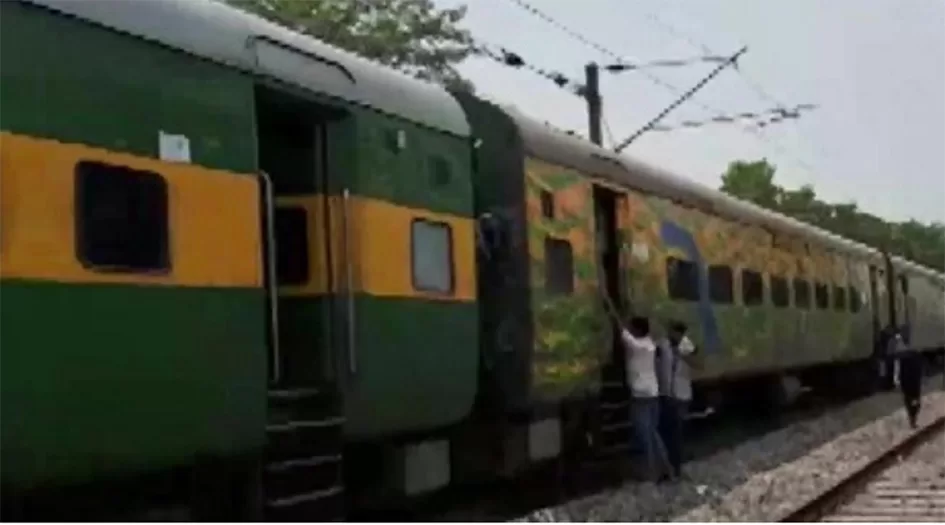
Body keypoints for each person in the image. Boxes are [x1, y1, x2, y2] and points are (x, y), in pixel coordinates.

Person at [620, 316, 671, 482]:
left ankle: (652, 472)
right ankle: (665, 467)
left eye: (632, 327)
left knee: (644, 435)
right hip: (652, 393)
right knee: (653, 433)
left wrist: (609, 306)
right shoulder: (650, 345)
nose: (630, 330)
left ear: (638, 330)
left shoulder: (638, 346)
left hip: (640, 395)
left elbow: (622, 331)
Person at [656, 321, 699, 479]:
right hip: (666, 394)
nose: (671, 334)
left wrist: (684, 355)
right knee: (666, 432)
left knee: (677, 433)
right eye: (670, 331)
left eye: (674, 332)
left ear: (680, 334)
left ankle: (677, 467)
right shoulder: (663, 344)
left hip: (681, 395)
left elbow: (699, 364)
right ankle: (668, 466)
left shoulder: (687, 345)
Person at [893, 325, 923, 429]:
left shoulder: (914, 344)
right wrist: (896, 378)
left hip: (914, 376)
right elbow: (897, 364)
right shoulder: (899, 344)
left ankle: (913, 417)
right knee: (909, 399)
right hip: (906, 376)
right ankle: (912, 419)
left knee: (916, 400)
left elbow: (919, 361)